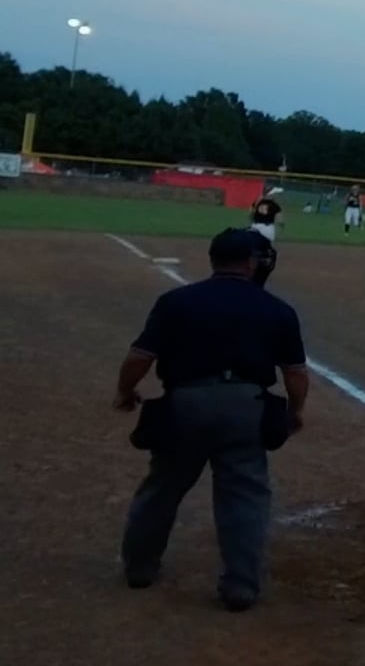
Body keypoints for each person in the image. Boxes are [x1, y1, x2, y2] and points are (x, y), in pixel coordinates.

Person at [115, 228, 310, 612]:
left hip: (185, 403)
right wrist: (295, 410)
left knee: (162, 488)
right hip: (245, 406)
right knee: (245, 495)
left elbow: (140, 357)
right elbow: (296, 373)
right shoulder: (277, 309)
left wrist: (125, 391)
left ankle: (140, 568)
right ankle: (240, 585)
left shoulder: (176, 301)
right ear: (251, 262)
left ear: (212, 259)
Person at [247, 188, 283, 287]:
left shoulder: (257, 202)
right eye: (275, 194)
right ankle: (261, 269)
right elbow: (280, 220)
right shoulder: (274, 205)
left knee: (252, 247)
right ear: (271, 194)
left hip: (254, 227)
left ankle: (249, 267)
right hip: (267, 229)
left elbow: (250, 215)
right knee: (266, 250)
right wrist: (282, 225)